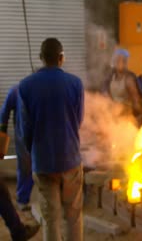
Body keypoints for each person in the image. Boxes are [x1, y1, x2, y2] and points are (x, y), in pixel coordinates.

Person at [18, 38, 84, 241]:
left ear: (41, 58)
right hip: (71, 160)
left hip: (44, 163)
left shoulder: (25, 86)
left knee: (51, 218)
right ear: (61, 58)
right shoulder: (75, 83)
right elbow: (78, 120)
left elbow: (25, 130)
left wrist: (35, 153)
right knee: (73, 217)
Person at [0, 84, 34, 211]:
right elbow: (4, 111)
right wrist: (3, 132)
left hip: (39, 136)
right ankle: (22, 199)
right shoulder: (16, 91)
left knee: (34, 168)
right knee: (25, 168)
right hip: (23, 136)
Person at [107, 48, 142, 116]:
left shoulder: (130, 77)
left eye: (123, 60)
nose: (120, 63)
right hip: (114, 111)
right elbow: (108, 95)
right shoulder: (112, 76)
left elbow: (136, 98)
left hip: (127, 113)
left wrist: (137, 109)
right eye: (117, 60)